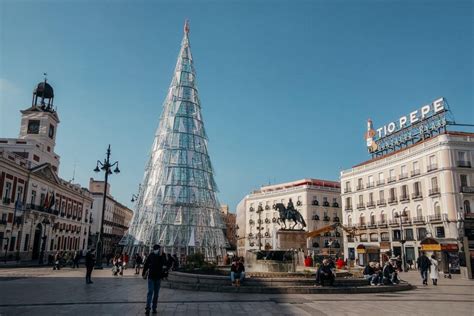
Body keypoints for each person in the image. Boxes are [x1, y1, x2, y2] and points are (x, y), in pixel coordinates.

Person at [142, 244, 165, 315]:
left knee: (156, 294)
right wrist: (143, 273)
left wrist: (161, 255)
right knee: (150, 292)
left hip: (158, 277)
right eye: (154, 249)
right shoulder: (151, 255)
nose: (155, 250)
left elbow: (164, 263)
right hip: (151, 277)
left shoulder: (162, 256)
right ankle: (148, 308)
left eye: (157, 249)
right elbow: (146, 264)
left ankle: (154, 307)